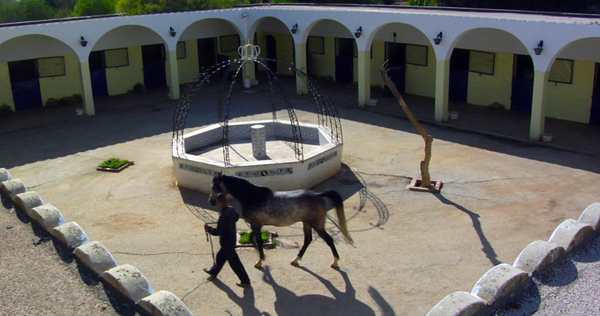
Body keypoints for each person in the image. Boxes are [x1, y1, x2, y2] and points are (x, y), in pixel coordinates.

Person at [204, 193, 251, 288]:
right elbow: (237, 218)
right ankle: (214, 271)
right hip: (231, 239)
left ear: (219, 202)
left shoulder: (223, 215)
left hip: (226, 242)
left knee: (234, 262)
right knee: (220, 256)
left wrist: (209, 229)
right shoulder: (231, 209)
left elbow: (219, 231)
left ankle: (245, 281)